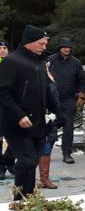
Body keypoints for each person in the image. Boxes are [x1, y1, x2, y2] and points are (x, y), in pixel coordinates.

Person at [0, 25, 63, 199]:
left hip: (37, 122)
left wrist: (59, 112)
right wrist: (18, 114)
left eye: (45, 43)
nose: (44, 47)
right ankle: (20, 199)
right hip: (16, 123)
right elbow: (3, 92)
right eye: (41, 43)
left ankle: (28, 197)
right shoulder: (12, 62)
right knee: (26, 160)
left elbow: (47, 91)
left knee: (32, 161)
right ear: (28, 43)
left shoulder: (39, 63)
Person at [48, 37, 85, 164]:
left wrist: (81, 95)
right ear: (59, 48)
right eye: (64, 47)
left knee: (68, 128)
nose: (67, 49)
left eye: (69, 47)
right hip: (52, 100)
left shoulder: (76, 62)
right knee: (49, 127)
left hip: (69, 99)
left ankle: (67, 153)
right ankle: (44, 153)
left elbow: (82, 79)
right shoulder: (51, 60)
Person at [37, 61, 62, 190]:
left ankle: (44, 178)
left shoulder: (51, 78)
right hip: (35, 118)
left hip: (50, 117)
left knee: (47, 147)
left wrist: (56, 114)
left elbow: (55, 98)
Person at [0, 39, 12, 180]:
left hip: (12, 105)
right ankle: (1, 168)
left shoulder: (14, 64)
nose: (2, 50)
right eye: (0, 48)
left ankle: (8, 161)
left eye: (4, 47)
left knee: (16, 136)